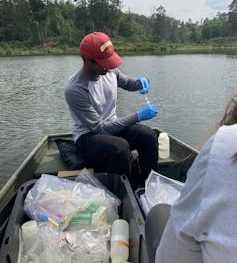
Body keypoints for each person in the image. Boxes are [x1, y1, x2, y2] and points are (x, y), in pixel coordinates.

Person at [64, 32, 158, 187]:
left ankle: (149, 187)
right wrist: (138, 116)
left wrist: (142, 82)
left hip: (112, 127)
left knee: (148, 136)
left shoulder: (109, 70)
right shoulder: (75, 89)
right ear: (87, 60)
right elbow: (100, 128)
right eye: (103, 62)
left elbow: (128, 83)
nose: (108, 66)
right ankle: (121, 196)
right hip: (88, 136)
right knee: (120, 149)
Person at [156, 94, 237, 263]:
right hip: (99, 132)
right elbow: (98, 125)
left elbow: (169, 257)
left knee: (159, 214)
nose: (109, 71)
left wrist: (138, 84)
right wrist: (136, 117)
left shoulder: (225, 143)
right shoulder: (83, 88)